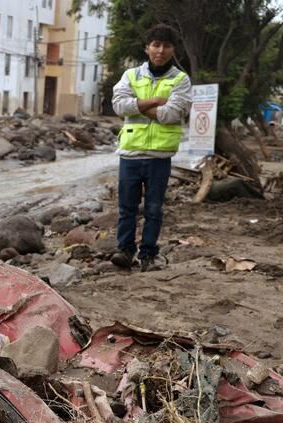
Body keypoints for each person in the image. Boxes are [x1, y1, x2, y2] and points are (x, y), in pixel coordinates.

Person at [109, 23, 193, 272]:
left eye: (166, 46)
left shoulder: (181, 79)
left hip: (160, 155)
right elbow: (119, 106)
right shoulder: (131, 75)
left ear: (173, 50)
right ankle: (125, 251)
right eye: (156, 45)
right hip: (131, 152)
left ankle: (148, 254)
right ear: (147, 48)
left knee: (154, 208)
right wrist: (155, 100)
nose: (160, 50)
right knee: (126, 208)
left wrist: (136, 105)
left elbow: (172, 114)